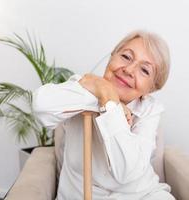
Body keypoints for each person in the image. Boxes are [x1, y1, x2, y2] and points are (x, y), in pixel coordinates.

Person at [32, 30, 175, 200]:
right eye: (126, 57)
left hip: (141, 195)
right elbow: (41, 106)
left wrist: (110, 104)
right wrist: (103, 90)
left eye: (144, 70)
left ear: (151, 89)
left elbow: (127, 172)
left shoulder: (150, 109)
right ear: (111, 57)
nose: (129, 70)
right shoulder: (86, 85)